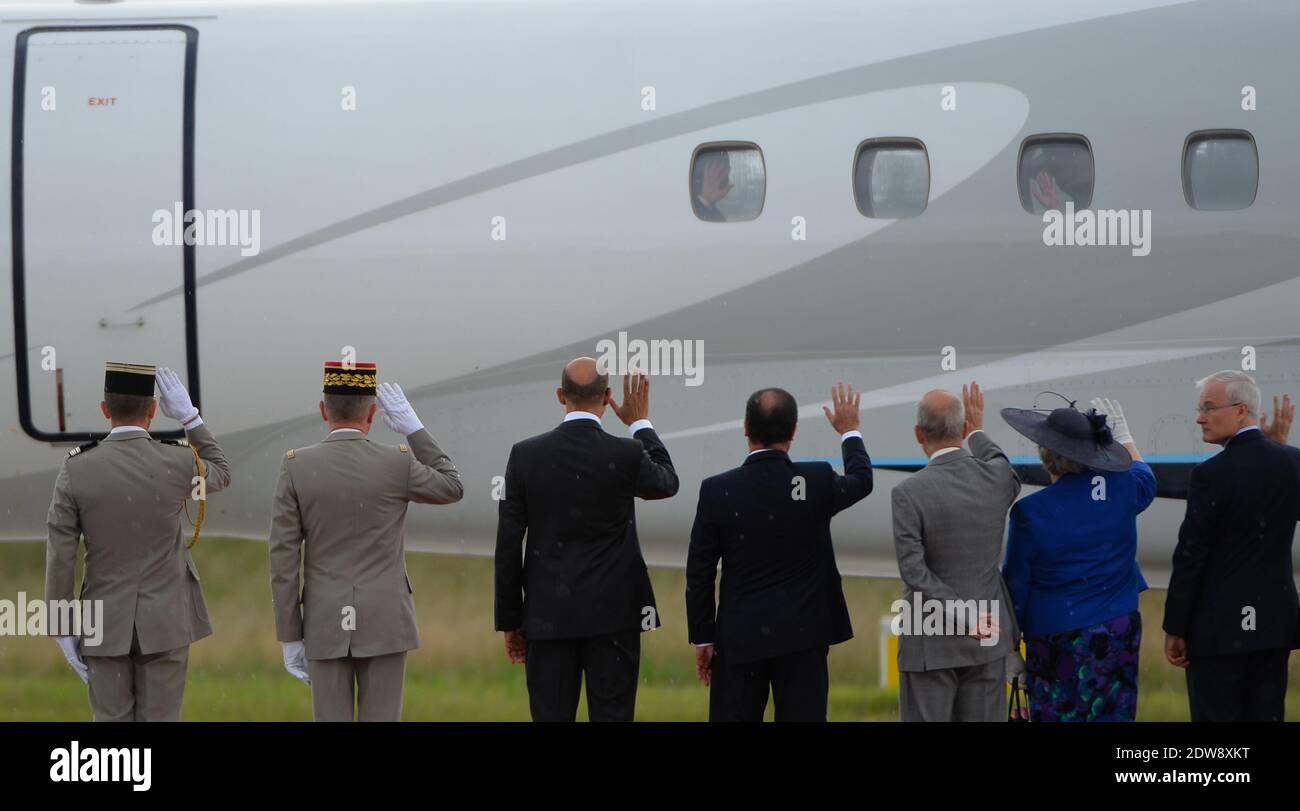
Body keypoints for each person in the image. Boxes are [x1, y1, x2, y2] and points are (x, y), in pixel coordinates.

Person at [268, 361, 463, 721]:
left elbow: (282, 558)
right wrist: (415, 430)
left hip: (324, 620)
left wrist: (289, 634)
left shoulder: (296, 465)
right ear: (373, 412)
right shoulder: (397, 462)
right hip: (385, 620)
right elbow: (451, 486)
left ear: (323, 410)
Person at [494, 359, 678, 721]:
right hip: (613, 618)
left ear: (560, 395)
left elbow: (508, 544)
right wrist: (640, 423)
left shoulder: (525, 455)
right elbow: (667, 482)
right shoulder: (625, 453)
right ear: (609, 396)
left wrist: (511, 620)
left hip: (548, 619)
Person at [45, 362, 230, 721]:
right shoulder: (177, 462)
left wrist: (61, 626)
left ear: (104, 409)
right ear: (153, 409)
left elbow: (60, 554)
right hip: (166, 622)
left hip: (104, 623)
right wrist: (190, 418)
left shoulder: (77, 469)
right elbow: (221, 472)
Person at [686, 383, 872, 721]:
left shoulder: (717, 490)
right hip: (803, 639)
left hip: (740, 641)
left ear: (745, 429)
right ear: (794, 431)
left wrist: (703, 636)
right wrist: (850, 431)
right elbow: (862, 479)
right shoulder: (815, 481)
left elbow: (699, 571)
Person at [1000, 396, 1154, 721]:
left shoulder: (1031, 513)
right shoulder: (1122, 487)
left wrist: (1010, 650)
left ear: (1046, 457)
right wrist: (1125, 437)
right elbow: (1146, 478)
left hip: (1057, 638)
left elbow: (1016, 589)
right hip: (1118, 629)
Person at [1163, 370, 1298, 721]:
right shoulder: (1292, 463)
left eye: (1209, 407)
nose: (1199, 417)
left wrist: (1175, 626)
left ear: (1241, 410)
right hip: (1273, 625)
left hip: (1218, 631)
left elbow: (1191, 555)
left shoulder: (1210, 474)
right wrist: (1278, 452)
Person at [892, 382, 1021, 722]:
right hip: (988, 636)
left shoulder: (909, 492)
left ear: (919, 434)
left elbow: (914, 573)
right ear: (963, 429)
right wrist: (978, 430)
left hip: (929, 641)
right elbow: (999, 459)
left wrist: (963, 616)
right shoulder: (996, 478)